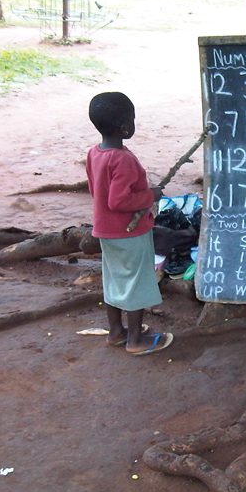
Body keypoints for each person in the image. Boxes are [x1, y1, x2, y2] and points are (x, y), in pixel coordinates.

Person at [85, 92, 173, 356]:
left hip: (106, 231)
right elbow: (119, 200)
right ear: (124, 126)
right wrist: (151, 196)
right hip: (129, 232)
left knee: (114, 280)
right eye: (132, 119)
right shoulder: (122, 159)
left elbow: (97, 193)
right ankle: (135, 340)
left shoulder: (94, 153)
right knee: (137, 282)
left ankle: (115, 332)